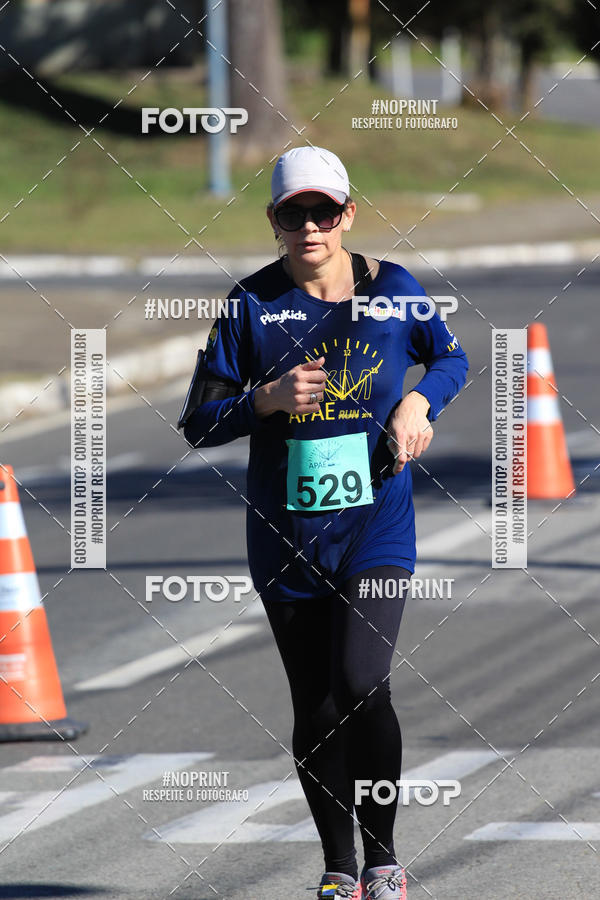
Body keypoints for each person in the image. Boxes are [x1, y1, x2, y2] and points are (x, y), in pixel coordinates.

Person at [179, 146, 469, 900]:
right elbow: (198, 422)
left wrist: (418, 402)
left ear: (348, 215)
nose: (309, 227)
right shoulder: (249, 306)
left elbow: (453, 359)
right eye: (292, 213)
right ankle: (339, 867)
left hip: (376, 525)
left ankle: (384, 858)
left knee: (362, 682)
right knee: (316, 703)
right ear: (273, 221)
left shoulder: (394, 291)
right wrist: (264, 400)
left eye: (324, 212)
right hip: (286, 535)